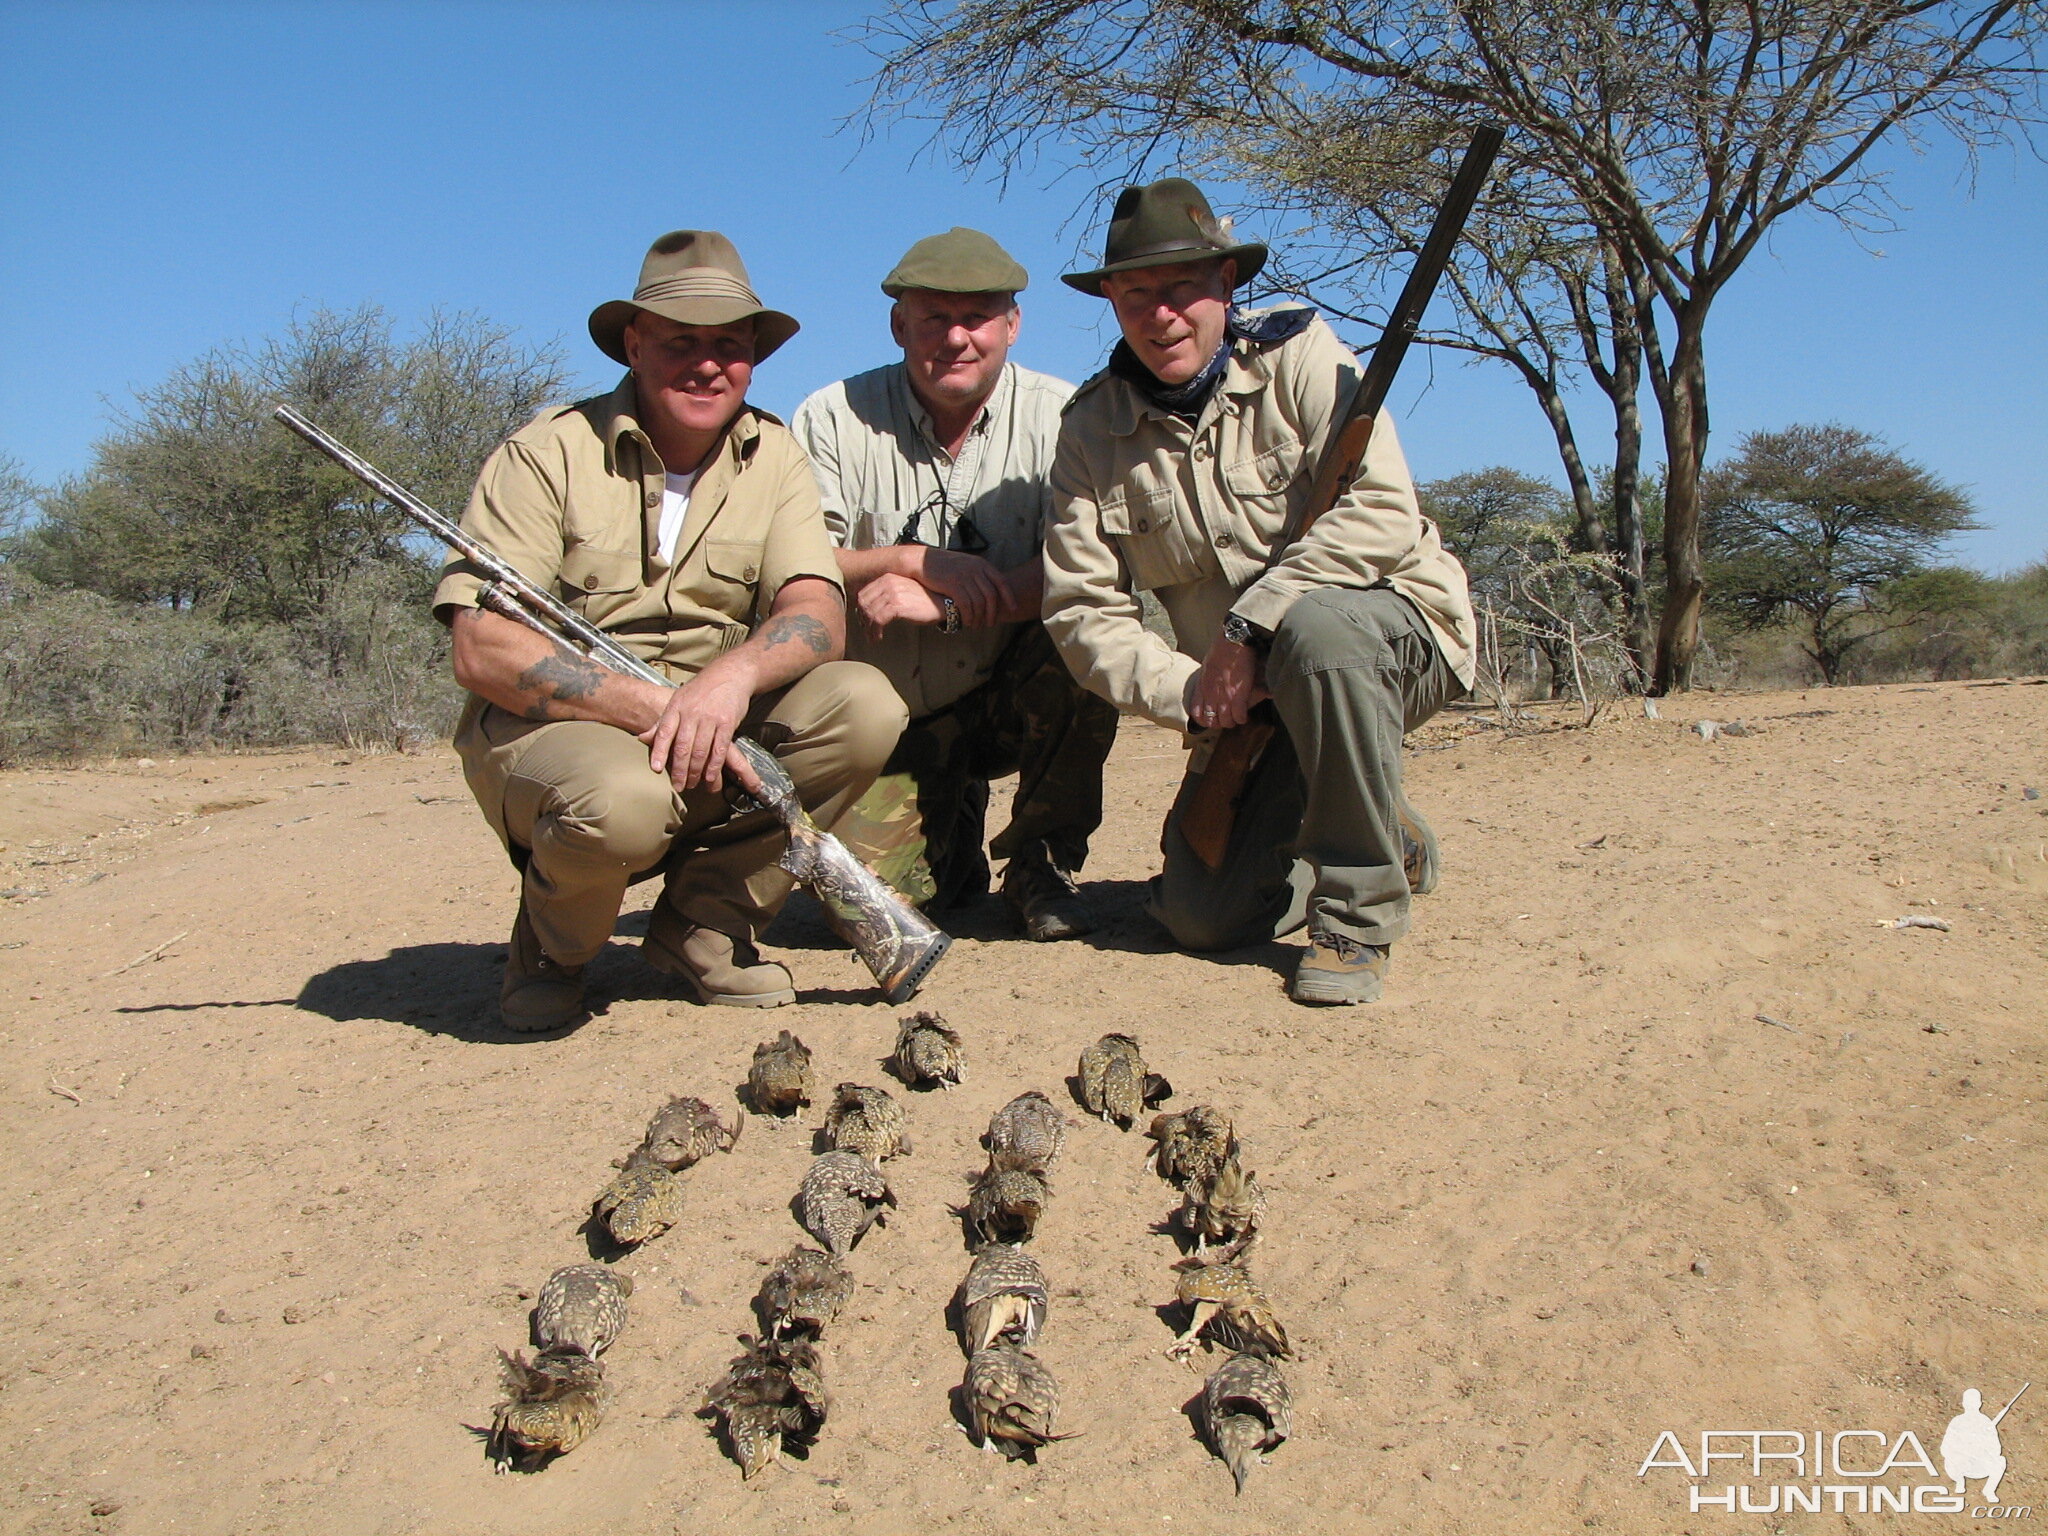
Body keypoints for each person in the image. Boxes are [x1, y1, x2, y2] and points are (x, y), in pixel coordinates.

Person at [433, 230, 906, 1029]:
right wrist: (651, 710)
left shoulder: (776, 456)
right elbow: (481, 646)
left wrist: (727, 682)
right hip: (572, 733)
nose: (708, 363)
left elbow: (818, 616)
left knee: (865, 704)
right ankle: (552, 951)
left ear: (753, 355)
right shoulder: (545, 452)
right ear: (633, 343)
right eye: (680, 341)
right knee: (618, 798)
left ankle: (705, 929)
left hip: (713, 724)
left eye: (729, 344)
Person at [1043, 179, 1476, 1005]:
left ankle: (1356, 915)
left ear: (1226, 285)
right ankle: (1373, 816)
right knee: (1197, 919)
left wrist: (1245, 632)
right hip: (1247, 703)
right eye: (1136, 294)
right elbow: (1081, 612)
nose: (1161, 314)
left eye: (1182, 290)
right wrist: (1195, 691)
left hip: (1392, 643)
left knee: (1318, 631)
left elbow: (1384, 515)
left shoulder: (1305, 355)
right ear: (1110, 299)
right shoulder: (1088, 430)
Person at [792, 228, 1118, 939]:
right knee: (874, 911)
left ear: (1012, 324)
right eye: (934, 317)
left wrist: (948, 609)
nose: (957, 337)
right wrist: (907, 561)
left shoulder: (1070, 417)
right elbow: (795, 565)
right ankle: (949, 825)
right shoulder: (830, 417)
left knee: (1087, 628)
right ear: (898, 324)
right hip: (891, 719)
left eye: (977, 317)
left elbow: (1086, 563)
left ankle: (1041, 862)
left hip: (1010, 688)